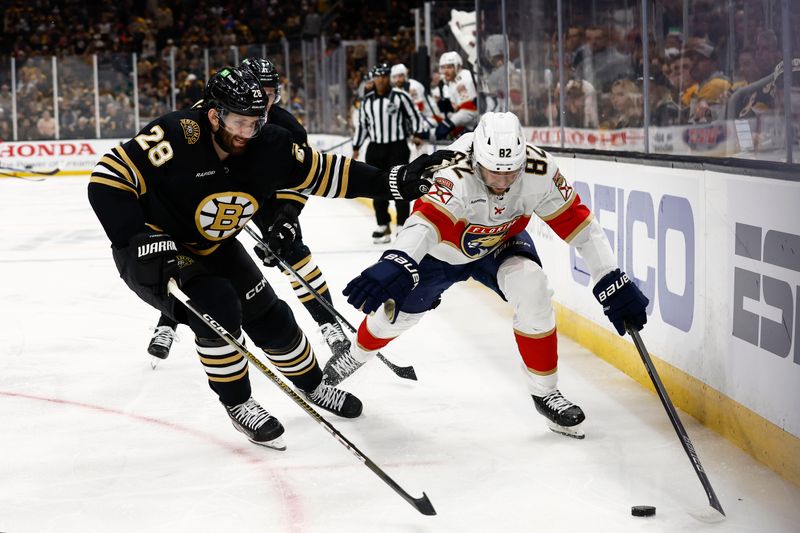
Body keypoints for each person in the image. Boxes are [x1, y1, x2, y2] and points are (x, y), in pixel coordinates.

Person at [88, 67, 453, 449]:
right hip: (157, 252)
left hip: (216, 245)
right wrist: (137, 236)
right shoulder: (178, 134)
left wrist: (393, 183)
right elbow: (107, 179)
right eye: (238, 122)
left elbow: (329, 174)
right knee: (218, 308)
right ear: (214, 115)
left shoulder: (272, 143)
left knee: (271, 316)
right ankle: (239, 403)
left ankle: (313, 385)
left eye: (255, 122)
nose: (247, 133)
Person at [324, 112, 648, 440]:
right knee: (394, 318)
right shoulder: (454, 170)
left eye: (511, 173)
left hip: (501, 242)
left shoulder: (540, 169)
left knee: (533, 289)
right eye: (494, 172)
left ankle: (546, 392)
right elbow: (425, 224)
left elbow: (580, 226)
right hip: (443, 253)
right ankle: (355, 355)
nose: (503, 182)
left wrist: (609, 276)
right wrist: (398, 260)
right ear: (476, 159)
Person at [146, 57, 353, 367]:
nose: (265, 101)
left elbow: (302, 181)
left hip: (262, 195)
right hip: (211, 191)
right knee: (190, 251)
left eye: (271, 93)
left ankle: (328, 323)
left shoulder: (287, 129)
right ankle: (167, 323)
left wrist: (286, 218)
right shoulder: (209, 112)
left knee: (294, 252)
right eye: (261, 92)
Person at [352, 63, 427, 244]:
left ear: (389, 78)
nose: (381, 80)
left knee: (400, 185)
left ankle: (402, 225)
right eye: (377, 76)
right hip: (375, 148)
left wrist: (417, 134)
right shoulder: (367, 101)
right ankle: (382, 225)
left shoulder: (400, 96)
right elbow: (362, 125)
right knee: (376, 187)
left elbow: (414, 116)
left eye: (384, 76)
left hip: (397, 147)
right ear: (373, 79)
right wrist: (356, 146)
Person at [434, 51, 479, 140]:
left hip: (477, 122)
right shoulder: (450, 82)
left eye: (450, 67)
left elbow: (470, 111)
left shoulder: (465, 78)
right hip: (469, 124)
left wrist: (450, 123)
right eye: (443, 67)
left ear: (458, 66)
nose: (446, 71)